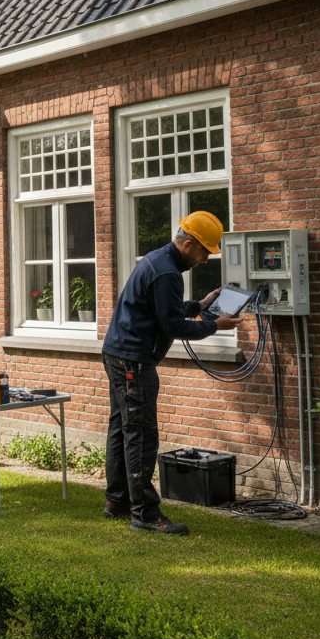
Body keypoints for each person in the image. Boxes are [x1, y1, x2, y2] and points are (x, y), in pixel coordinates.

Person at [100, 211, 242, 535]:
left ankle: (117, 502)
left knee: (122, 431)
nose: (205, 259)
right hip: (133, 362)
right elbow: (172, 325)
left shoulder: (158, 262)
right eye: (204, 251)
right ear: (188, 243)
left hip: (119, 354)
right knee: (141, 436)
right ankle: (145, 515)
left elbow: (165, 309)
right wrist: (214, 325)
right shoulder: (167, 272)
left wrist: (201, 305)